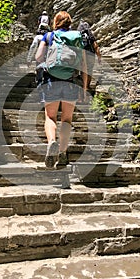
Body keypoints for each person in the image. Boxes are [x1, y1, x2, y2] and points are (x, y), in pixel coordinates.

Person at [35, 11, 87, 169]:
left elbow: (38, 57)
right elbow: (84, 65)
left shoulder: (49, 36)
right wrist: (84, 88)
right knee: (67, 119)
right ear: (70, 23)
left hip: (51, 79)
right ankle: (63, 154)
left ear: (55, 22)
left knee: (50, 117)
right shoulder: (77, 37)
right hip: (70, 81)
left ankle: (52, 142)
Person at [77, 20, 101, 88]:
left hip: (81, 55)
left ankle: (82, 87)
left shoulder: (78, 35)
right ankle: (87, 87)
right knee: (89, 71)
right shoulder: (90, 35)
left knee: (82, 71)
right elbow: (95, 46)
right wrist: (99, 57)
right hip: (90, 54)